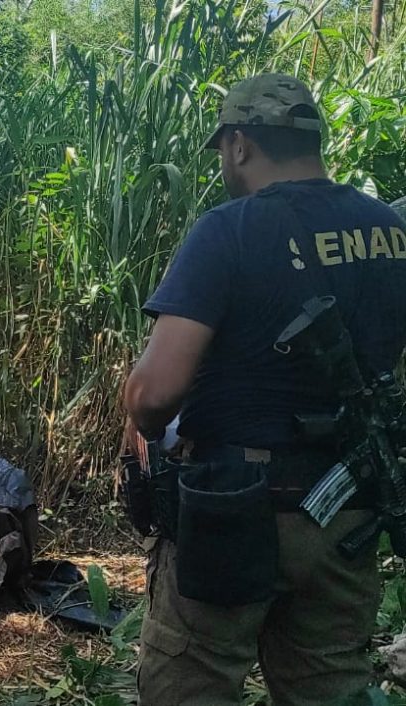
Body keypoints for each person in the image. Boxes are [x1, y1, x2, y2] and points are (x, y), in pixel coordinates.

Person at [124, 74, 406, 705]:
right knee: (331, 683)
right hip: (347, 511)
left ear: (240, 144)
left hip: (236, 510)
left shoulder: (230, 229)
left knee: (191, 680)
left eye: (223, 148)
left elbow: (154, 395)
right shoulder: (389, 230)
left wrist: (134, 404)